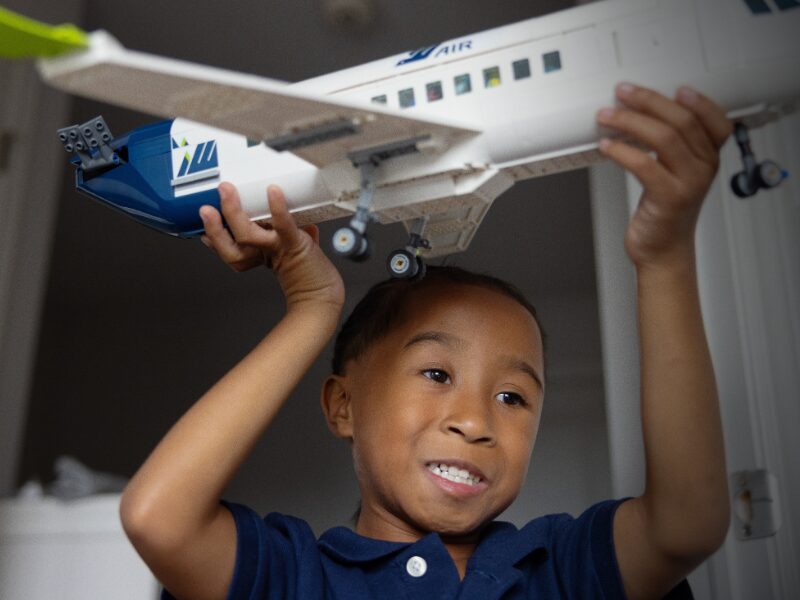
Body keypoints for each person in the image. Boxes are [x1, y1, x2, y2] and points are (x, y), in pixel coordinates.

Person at [119, 82, 733, 599]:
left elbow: (687, 523)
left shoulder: (562, 570)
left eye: (513, 398)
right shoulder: (294, 578)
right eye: (437, 374)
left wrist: (664, 260)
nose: (475, 422)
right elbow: (158, 518)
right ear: (343, 406)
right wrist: (311, 308)